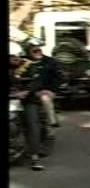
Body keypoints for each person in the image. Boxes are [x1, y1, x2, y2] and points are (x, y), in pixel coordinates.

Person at [15, 39, 63, 171]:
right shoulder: (21, 62)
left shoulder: (50, 62)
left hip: (38, 95)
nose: (37, 50)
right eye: (33, 48)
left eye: (38, 48)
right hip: (23, 96)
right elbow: (15, 77)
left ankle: (35, 157)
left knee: (34, 121)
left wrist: (52, 90)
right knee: (30, 123)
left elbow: (59, 78)